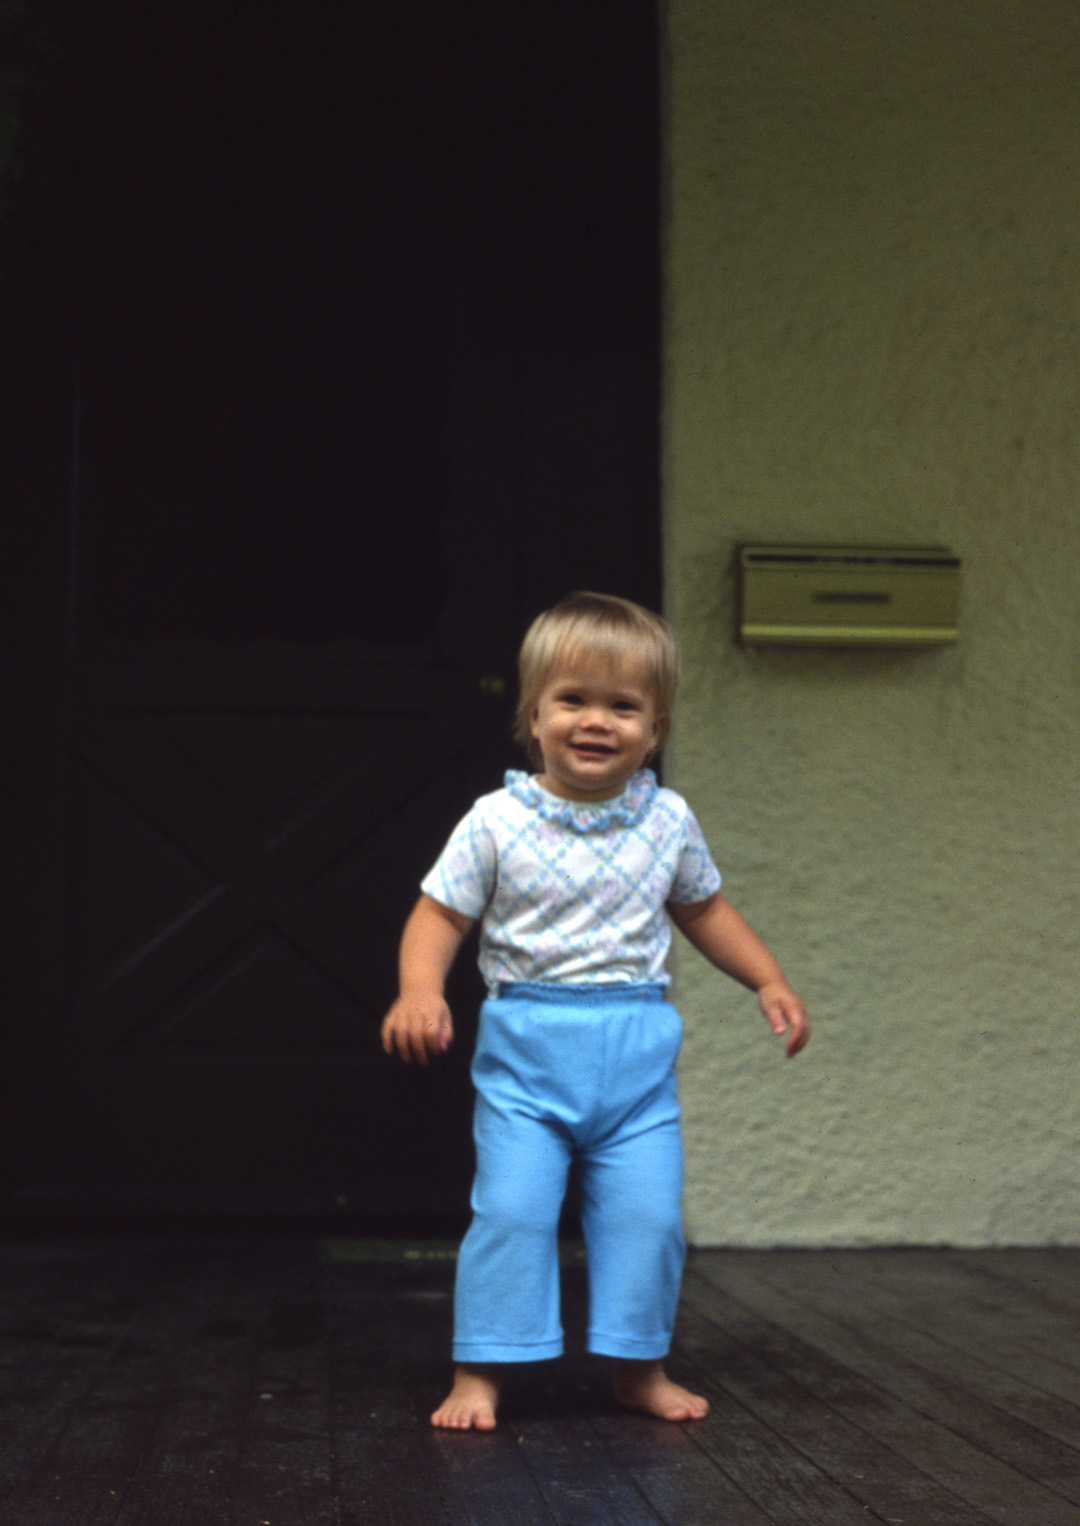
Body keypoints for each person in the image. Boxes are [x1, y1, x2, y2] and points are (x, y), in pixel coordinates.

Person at [381, 592, 809, 1431]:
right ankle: (482, 1371)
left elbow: (704, 910)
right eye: (573, 699)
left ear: (656, 727)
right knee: (511, 1213)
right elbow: (440, 915)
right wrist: (421, 989)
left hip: (636, 1066)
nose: (596, 721)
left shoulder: (668, 821)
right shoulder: (496, 822)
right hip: (528, 1060)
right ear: (533, 714)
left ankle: (637, 1366)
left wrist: (768, 978)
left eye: (624, 706)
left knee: (648, 1221)